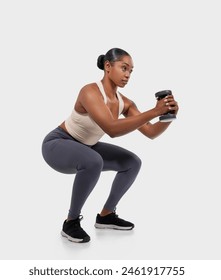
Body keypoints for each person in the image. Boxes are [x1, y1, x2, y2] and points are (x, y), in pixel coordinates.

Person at [41, 48, 179, 243]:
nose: (127, 75)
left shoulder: (125, 103)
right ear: (108, 66)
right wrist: (154, 111)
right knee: (93, 161)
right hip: (57, 144)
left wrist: (168, 116)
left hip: (87, 148)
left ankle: (106, 215)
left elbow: (150, 133)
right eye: (124, 68)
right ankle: (70, 222)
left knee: (132, 162)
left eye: (131, 71)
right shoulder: (90, 91)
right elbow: (112, 129)